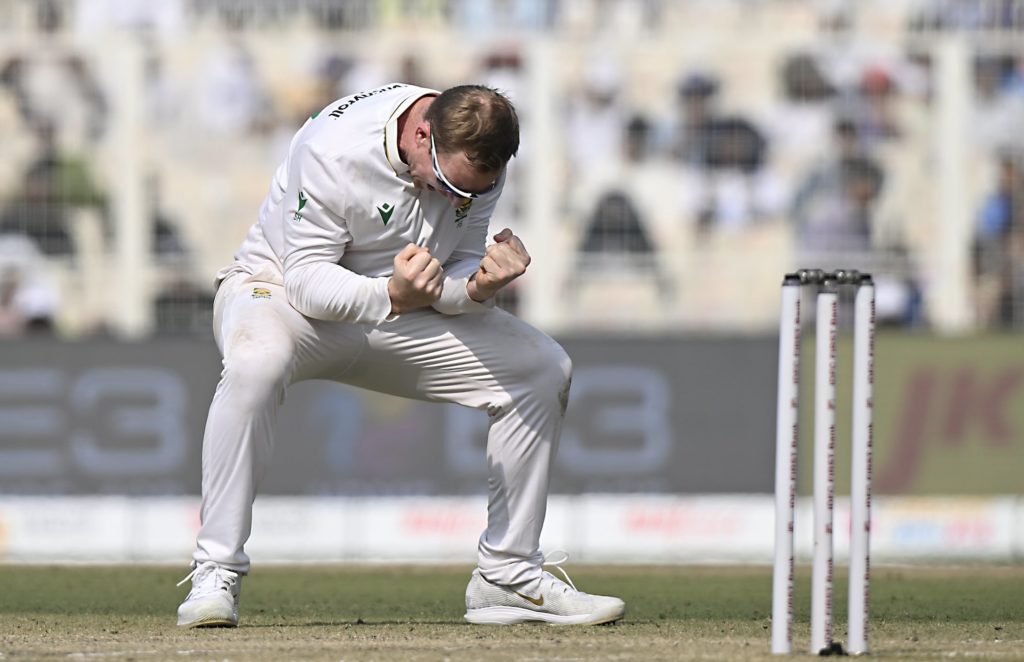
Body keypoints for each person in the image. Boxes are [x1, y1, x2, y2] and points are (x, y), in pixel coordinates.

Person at [175, 83, 625, 628]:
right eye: (449, 185)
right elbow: (307, 280)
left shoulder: (478, 163)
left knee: (541, 369)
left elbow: (450, 280)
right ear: (421, 134)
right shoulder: (332, 149)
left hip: (395, 307)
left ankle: (506, 575)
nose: (458, 200)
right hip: (280, 298)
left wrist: (480, 285)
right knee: (256, 361)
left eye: (472, 193)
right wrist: (390, 295)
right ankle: (215, 571)